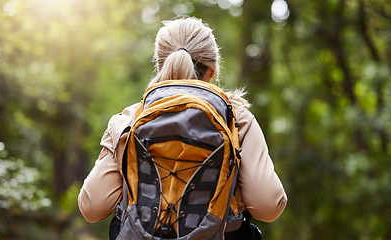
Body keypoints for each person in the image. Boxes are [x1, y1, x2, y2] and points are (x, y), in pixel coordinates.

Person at [78, 16, 287, 233]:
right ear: (212, 71)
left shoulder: (129, 119)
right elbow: (268, 207)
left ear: (160, 66)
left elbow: (92, 208)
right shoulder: (238, 120)